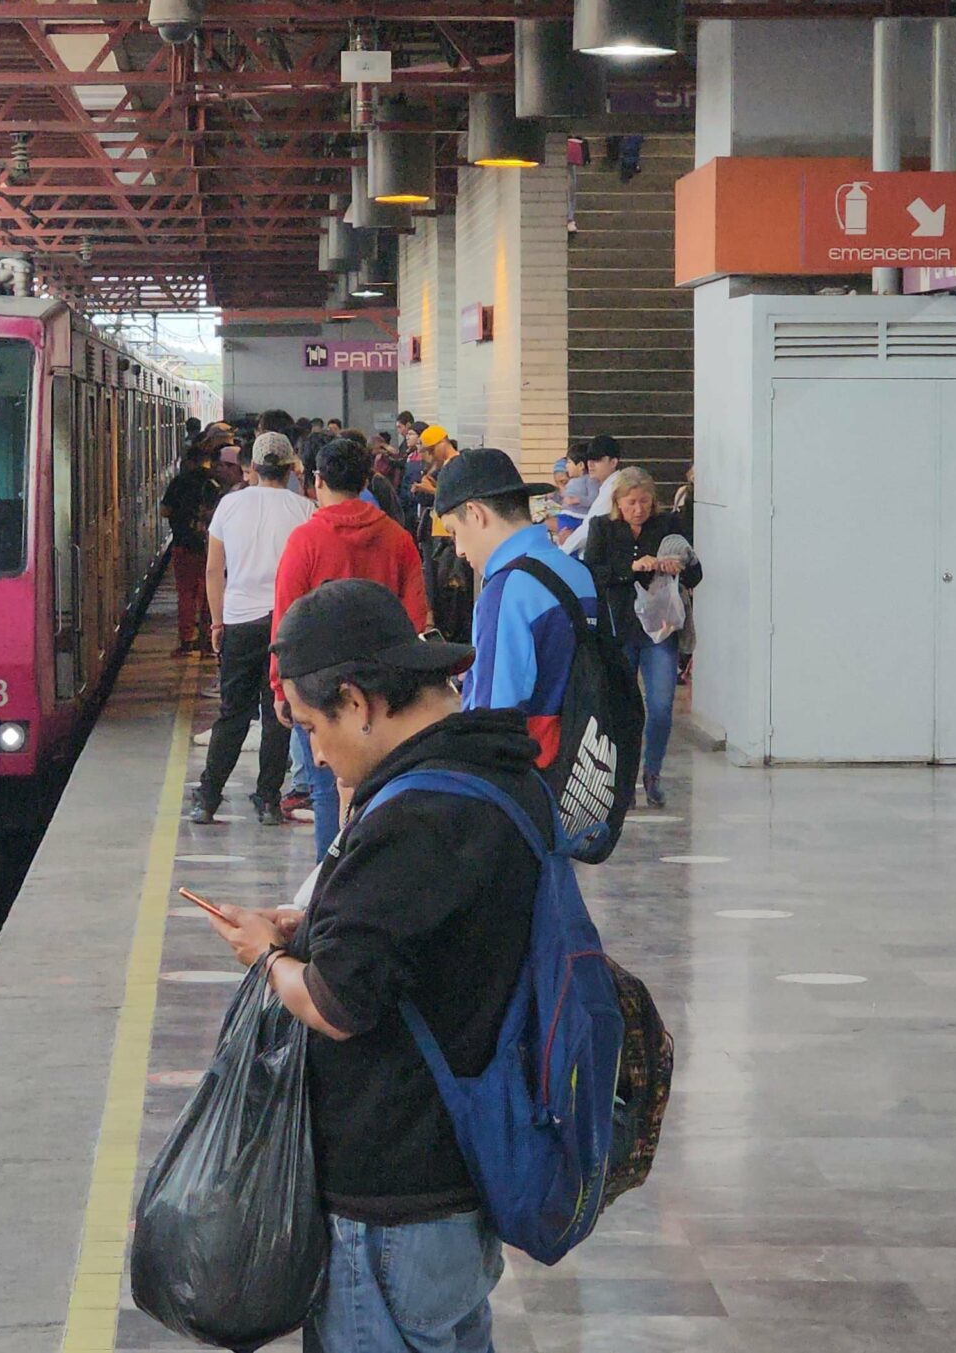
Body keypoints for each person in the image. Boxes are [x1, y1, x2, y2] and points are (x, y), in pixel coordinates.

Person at [195, 579, 538, 1353]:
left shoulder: (414, 814)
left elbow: (337, 1003)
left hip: (393, 1195)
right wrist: (319, 920)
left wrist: (267, 955)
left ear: (356, 701)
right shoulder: (496, 772)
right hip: (461, 1177)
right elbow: (427, 933)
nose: (316, 753)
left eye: (313, 726)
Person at [274, 435, 431, 860]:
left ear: (318, 480)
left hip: (320, 689)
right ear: (366, 481)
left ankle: (330, 881)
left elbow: (286, 621)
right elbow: (416, 618)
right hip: (384, 690)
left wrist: (279, 688)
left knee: (327, 793)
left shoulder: (305, 540)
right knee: (385, 789)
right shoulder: (397, 538)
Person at [434, 447, 598, 766]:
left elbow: (490, 720)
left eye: (454, 532)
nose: (459, 550)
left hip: (531, 775)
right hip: (585, 767)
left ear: (476, 514)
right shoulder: (577, 572)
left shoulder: (506, 589)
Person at [191, 433, 315, 825]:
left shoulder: (230, 505)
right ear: (290, 467)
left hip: (239, 622)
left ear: (253, 467)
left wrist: (217, 621)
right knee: (278, 713)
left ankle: (208, 798)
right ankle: (268, 800)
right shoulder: (305, 509)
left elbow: (214, 569)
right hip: (286, 626)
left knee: (233, 713)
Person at [582, 467, 699, 807]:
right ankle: (623, 776)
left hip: (659, 629)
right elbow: (591, 572)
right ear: (618, 503)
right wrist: (631, 568)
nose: (638, 509)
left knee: (660, 706)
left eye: (644, 502)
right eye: (631, 503)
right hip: (619, 628)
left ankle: (652, 772)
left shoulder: (668, 526)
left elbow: (695, 573)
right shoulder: (602, 528)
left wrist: (678, 565)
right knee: (621, 708)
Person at [160, 442, 224, 657]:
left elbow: (165, 510)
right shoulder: (216, 482)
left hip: (184, 545)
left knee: (186, 594)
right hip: (210, 547)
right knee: (208, 593)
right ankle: (207, 639)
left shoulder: (180, 481)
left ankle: (187, 639)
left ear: (189, 461)